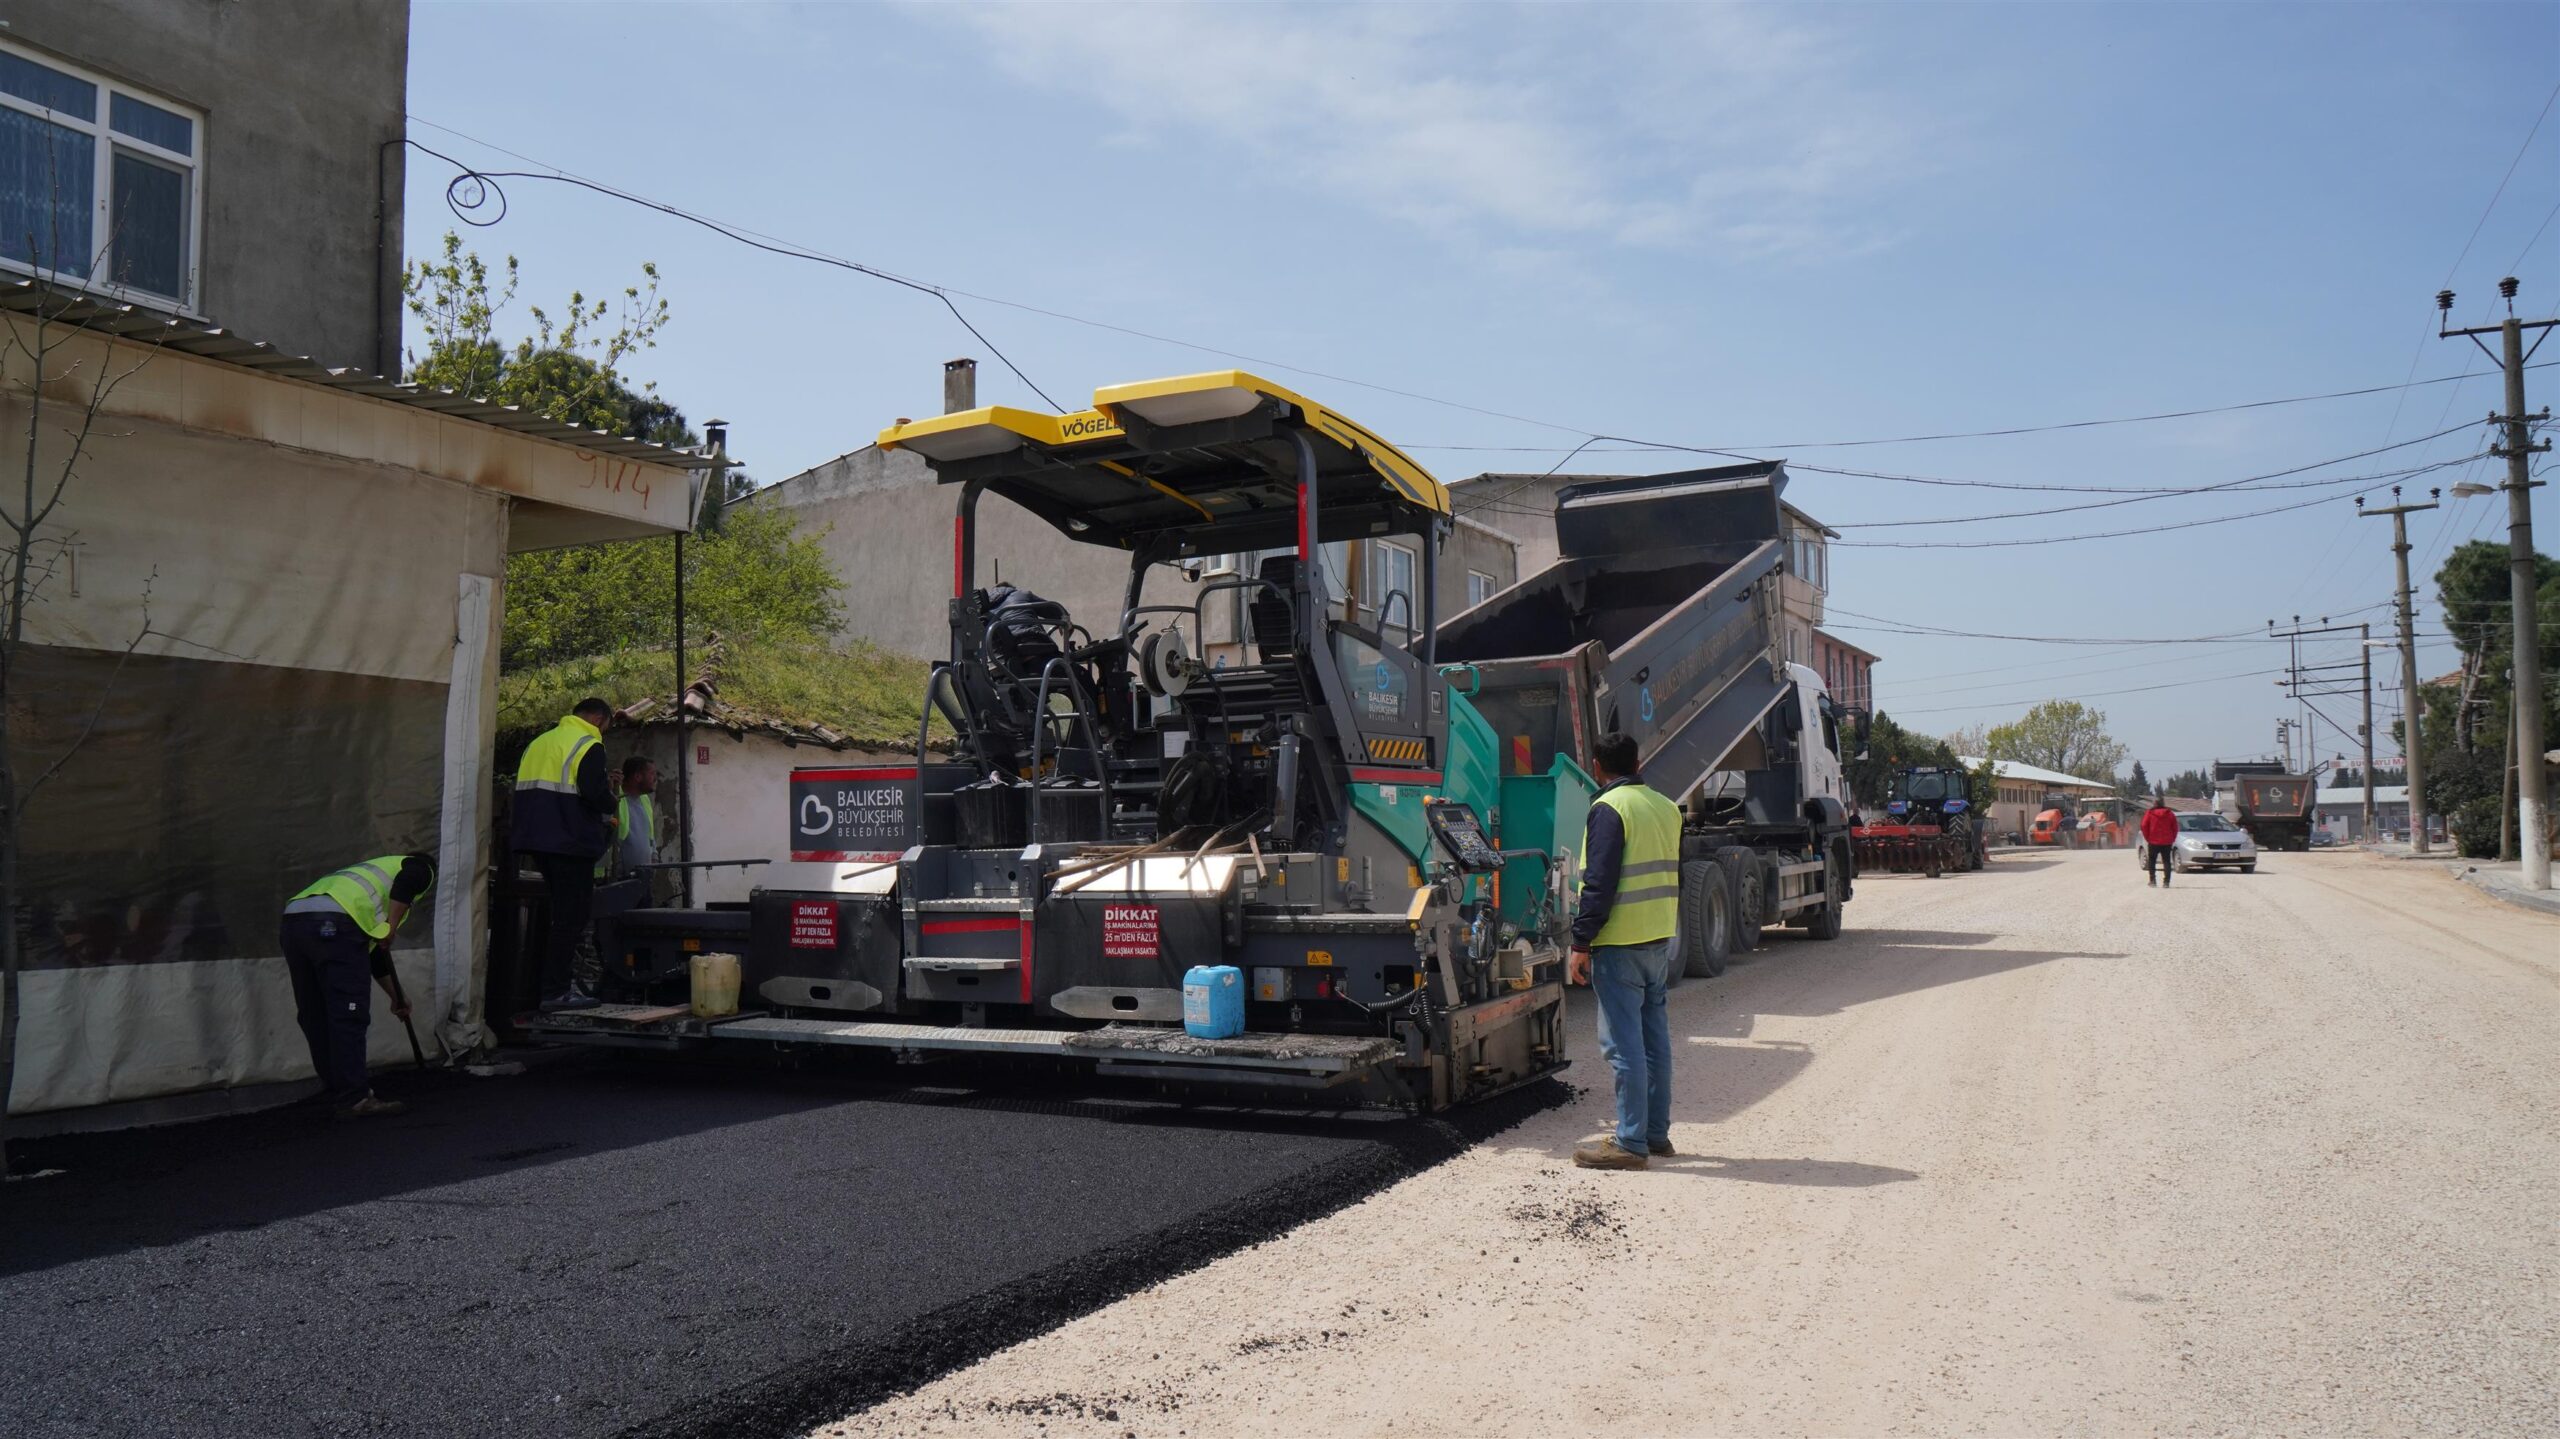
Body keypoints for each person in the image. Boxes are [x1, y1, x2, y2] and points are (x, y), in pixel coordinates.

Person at [1566, 732, 1684, 1171]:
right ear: (1638, 764)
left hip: (1618, 942)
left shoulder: (1609, 808)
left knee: (1623, 1046)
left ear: (1596, 767)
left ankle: (1630, 1142)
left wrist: (1580, 942)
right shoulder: (1667, 807)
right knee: (1655, 1042)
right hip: (1657, 937)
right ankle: (1655, 1134)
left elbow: (1599, 882)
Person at [281, 853, 436, 1118]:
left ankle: (337, 1089)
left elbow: (371, 956)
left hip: (294, 922)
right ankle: (355, 1097)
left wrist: (397, 996)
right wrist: (391, 926)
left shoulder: (360, 880)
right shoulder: (419, 866)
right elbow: (411, 878)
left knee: (315, 1012)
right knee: (348, 1013)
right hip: (334, 923)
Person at [515, 697, 618, 1011]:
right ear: (599, 719)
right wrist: (611, 804)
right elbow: (594, 792)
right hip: (570, 840)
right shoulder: (588, 744)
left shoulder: (540, 742)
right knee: (572, 918)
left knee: (557, 915)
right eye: (607, 726)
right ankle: (556, 991)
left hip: (536, 839)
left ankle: (539, 988)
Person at [2140, 798, 2181, 888]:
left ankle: (2152, 881)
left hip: (2153, 841)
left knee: (2152, 861)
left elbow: (2143, 825)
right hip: (2167, 841)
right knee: (2166, 861)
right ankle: (2166, 882)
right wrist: (2172, 838)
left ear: (2154, 804)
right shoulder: (2170, 813)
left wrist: (2148, 837)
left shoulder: (2150, 813)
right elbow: (2175, 827)